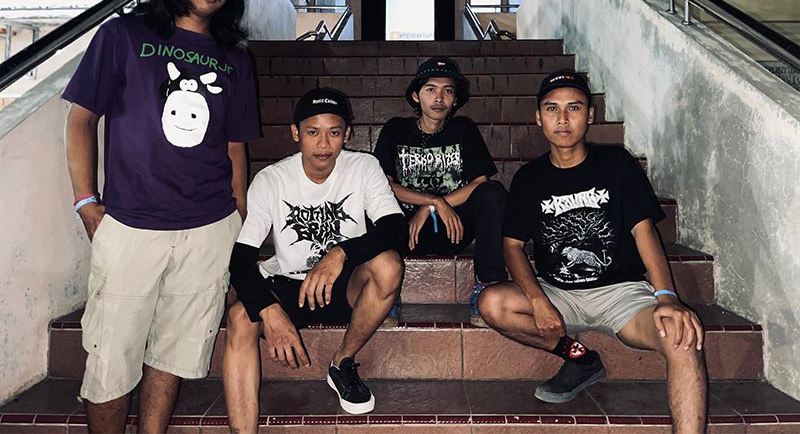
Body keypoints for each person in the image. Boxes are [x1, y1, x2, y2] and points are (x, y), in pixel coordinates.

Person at [62, 0, 258, 434]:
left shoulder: (234, 58)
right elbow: (82, 119)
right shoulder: (123, 35)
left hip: (209, 228)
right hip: (131, 225)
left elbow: (235, 145)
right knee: (110, 362)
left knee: (173, 355)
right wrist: (86, 201)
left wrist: (238, 215)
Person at [478, 70, 707, 433]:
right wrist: (538, 299)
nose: (563, 119)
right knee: (492, 303)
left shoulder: (617, 163)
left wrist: (666, 296)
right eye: (552, 109)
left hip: (622, 295)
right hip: (559, 293)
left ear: (590, 115)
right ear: (538, 118)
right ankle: (580, 358)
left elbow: (644, 231)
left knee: (682, 340)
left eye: (574, 108)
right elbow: (512, 247)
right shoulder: (529, 178)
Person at [223, 88, 407, 429]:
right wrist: (269, 309)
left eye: (334, 132)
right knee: (238, 316)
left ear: (347, 134)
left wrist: (341, 253)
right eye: (312, 132)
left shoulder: (364, 167)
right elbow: (240, 258)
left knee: (389, 264)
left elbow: (395, 229)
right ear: (296, 133)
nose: (323, 144)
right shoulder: (271, 180)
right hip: (290, 287)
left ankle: (342, 362)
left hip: (346, 287)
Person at [373, 57, 507, 326]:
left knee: (493, 192)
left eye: (448, 91)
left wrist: (435, 206)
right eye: (431, 89)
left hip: (453, 227)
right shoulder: (396, 129)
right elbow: (384, 185)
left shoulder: (463, 129)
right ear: (416, 95)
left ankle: (487, 286)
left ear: (455, 100)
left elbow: (479, 182)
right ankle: (384, 291)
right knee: (367, 198)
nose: (439, 98)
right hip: (405, 231)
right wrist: (432, 200)